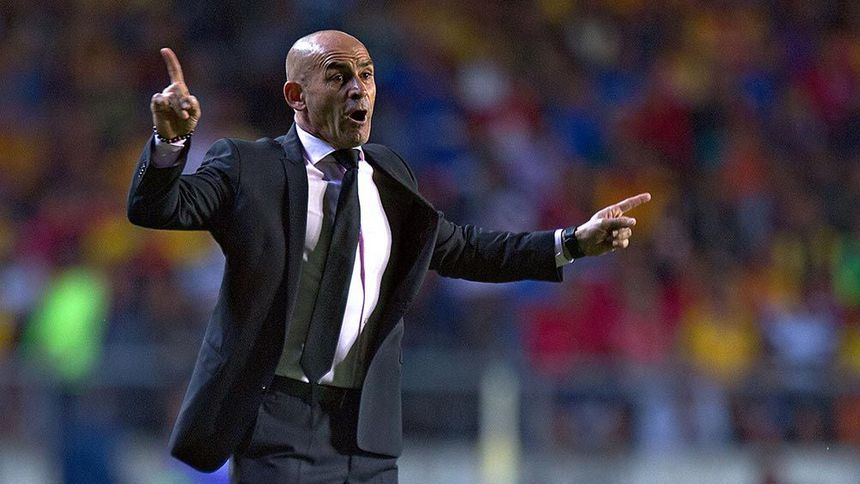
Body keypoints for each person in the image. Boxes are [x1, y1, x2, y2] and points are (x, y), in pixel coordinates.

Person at [128, 30, 650, 483]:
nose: (358, 88)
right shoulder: (250, 166)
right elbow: (160, 207)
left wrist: (572, 242)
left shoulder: (390, 176)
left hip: (366, 431)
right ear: (296, 95)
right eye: (337, 77)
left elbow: (461, 248)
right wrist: (169, 142)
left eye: (366, 75)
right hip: (275, 420)